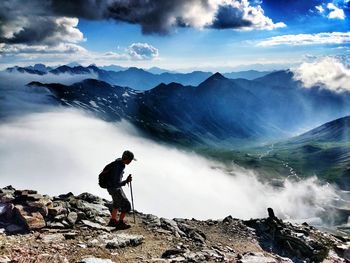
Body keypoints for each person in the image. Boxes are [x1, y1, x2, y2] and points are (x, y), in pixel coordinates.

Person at [107, 150, 136, 230]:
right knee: (127, 205)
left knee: (116, 203)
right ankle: (120, 223)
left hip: (110, 188)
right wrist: (126, 181)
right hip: (115, 188)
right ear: (126, 158)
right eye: (130, 159)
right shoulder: (119, 167)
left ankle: (112, 221)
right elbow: (116, 183)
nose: (130, 161)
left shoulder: (118, 162)